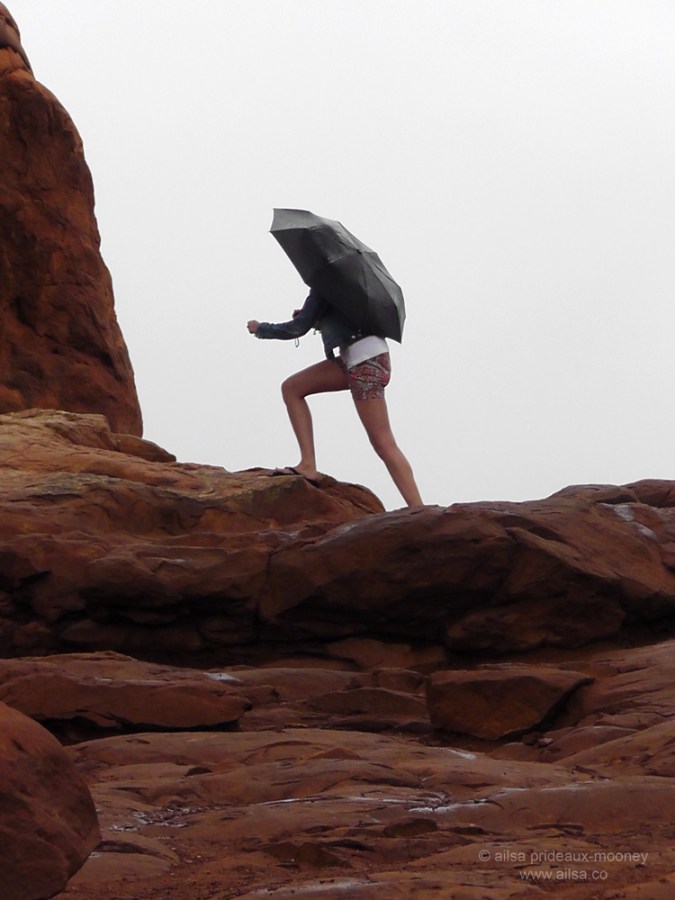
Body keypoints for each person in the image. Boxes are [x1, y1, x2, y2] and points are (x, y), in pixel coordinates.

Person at [247, 288, 423, 507]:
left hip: (365, 361)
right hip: (361, 357)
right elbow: (344, 322)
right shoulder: (347, 284)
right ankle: (308, 464)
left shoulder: (325, 284)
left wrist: (261, 329)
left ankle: (418, 508)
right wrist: (317, 317)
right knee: (292, 388)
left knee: (383, 442)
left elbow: (297, 328)